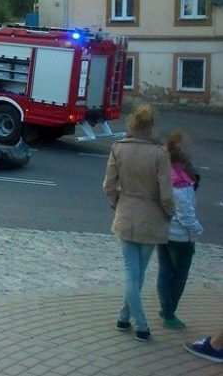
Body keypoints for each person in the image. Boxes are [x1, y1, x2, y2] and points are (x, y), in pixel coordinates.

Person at [103, 104, 174, 342]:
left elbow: (109, 186)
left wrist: (118, 204)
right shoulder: (160, 154)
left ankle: (124, 316)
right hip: (151, 216)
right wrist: (169, 213)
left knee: (133, 273)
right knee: (138, 273)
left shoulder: (118, 149)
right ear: (151, 126)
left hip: (126, 212)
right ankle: (141, 325)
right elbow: (166, 194)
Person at [156, 130, 203, 329]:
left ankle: (165, 307)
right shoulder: (183, 183)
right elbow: (186, 216)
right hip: (180, 236)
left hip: (162, 230)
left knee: (165, 271)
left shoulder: (164, 173)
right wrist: (197, 231)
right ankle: (169, 313)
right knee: (180, 273)